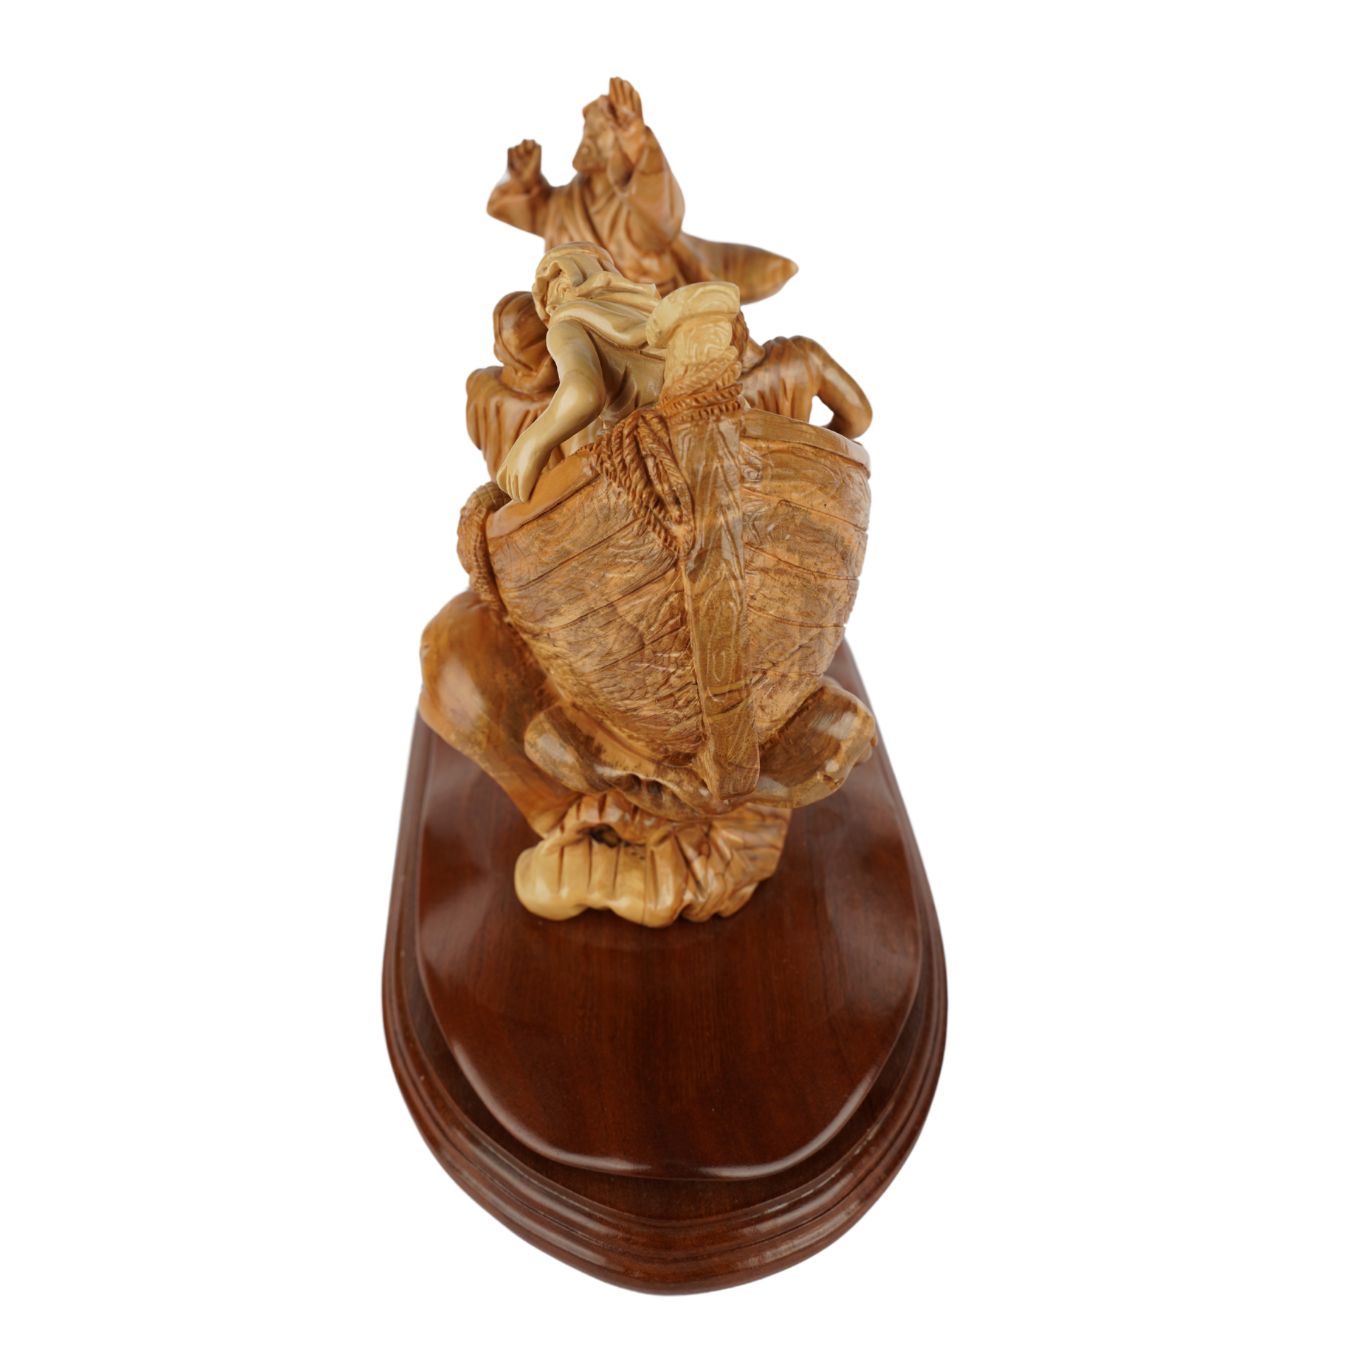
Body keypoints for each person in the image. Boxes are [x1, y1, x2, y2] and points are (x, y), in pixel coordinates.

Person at [487, 77, 796, 303]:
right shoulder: (565, 203)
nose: (589, 138)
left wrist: (637, 139)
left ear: (621, 139)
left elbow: (664, 222)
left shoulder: (635, 203)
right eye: (588, 130)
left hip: (645, 325)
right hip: (576, 322)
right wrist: (522, 180)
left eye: (600, 130)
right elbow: (522, 208)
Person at [464, 291, 557, 478]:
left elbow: (476, 437)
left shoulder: (480, 384)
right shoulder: (565, 404)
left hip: (500, 483)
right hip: (550, 492)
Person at [735, 314, 873, 438]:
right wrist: (809, 441)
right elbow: (859, 420)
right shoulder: (804, 354)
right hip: (810, 459)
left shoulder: (728, 391)